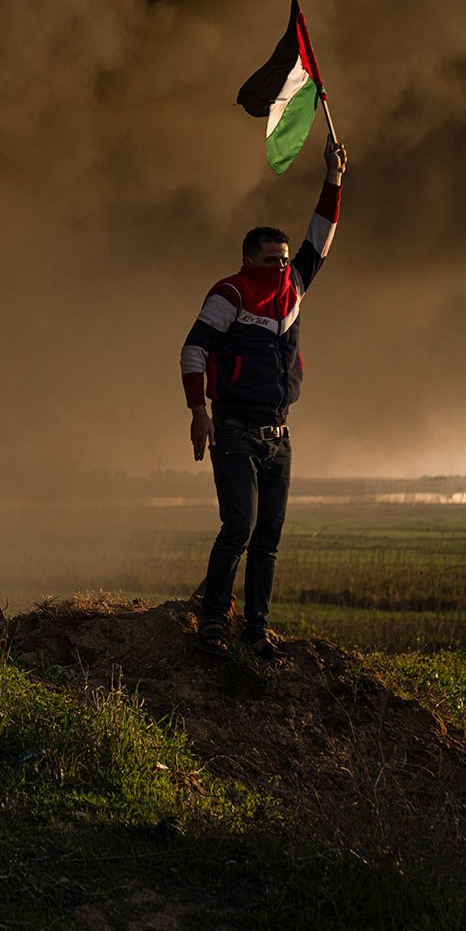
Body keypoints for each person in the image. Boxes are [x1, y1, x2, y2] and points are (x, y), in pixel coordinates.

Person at [179, 134, 348, 659]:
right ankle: (212, 622)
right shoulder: (229, 293)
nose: (280, 265)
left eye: (282, 258)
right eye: (270, 258)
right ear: (248, 258)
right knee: (239, 529)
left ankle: (256, 628)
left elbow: (319, 238)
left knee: (268, 540)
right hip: (233, 431)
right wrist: (198, 413)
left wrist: (333, 178)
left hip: (280, 436)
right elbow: (192, 351)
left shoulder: (293, 288)